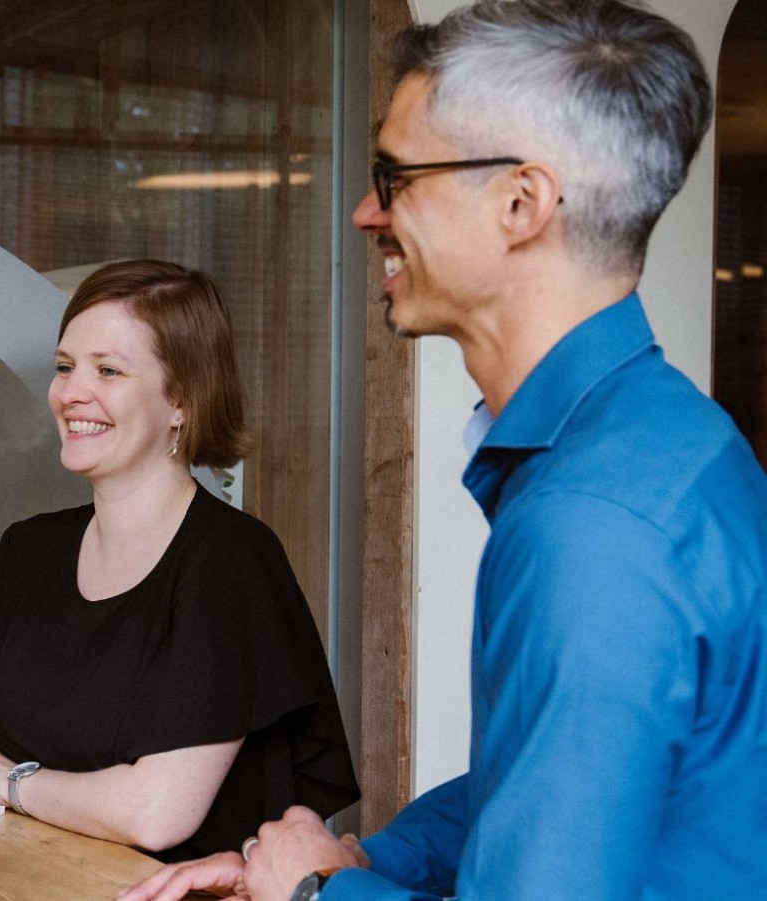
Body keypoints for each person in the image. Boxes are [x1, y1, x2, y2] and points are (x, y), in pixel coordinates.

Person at [122, 3, 767, 900]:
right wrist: (366, 862)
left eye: (393, 177)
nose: (362, 213)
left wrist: (317, 894)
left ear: (521, 202)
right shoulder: (659, 441)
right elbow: (544, 776)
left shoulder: (593, 526)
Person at [0, 260, 358, 862]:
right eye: (65, 367)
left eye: (107, 370)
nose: (70, 393)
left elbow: (157, 813)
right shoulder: (29, 550)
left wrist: (6, 781)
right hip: (29, 878)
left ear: (182, 400)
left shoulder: (230, 562)